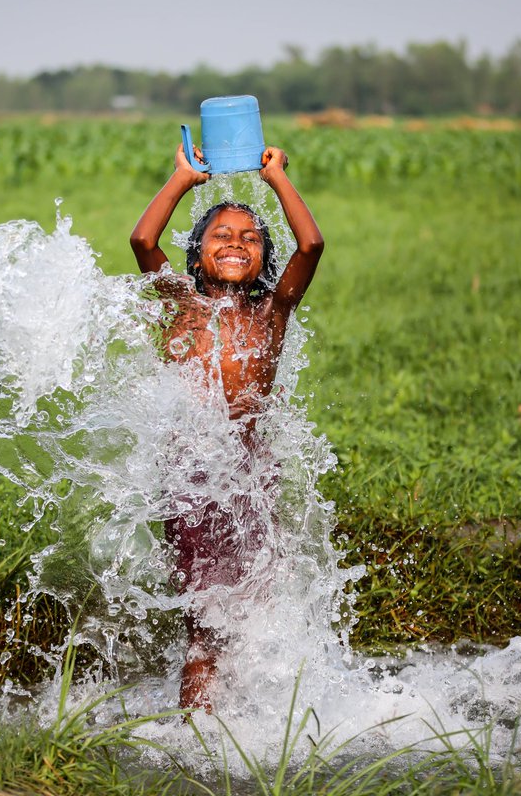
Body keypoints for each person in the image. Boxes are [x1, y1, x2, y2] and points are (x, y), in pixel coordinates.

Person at [129, 143, 323, 711]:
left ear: (264, 260)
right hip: (191, 480)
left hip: (252, 476)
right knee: (205, 623)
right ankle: (197, 732)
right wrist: (182, 178)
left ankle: (246, 720)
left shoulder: (272, 313)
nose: (237, 243)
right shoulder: (180, 307)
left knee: (257, 607)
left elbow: (311, 245)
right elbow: (142, 241)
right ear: (195, 258)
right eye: (221, 236)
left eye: (251, 239)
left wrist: (276, 177)